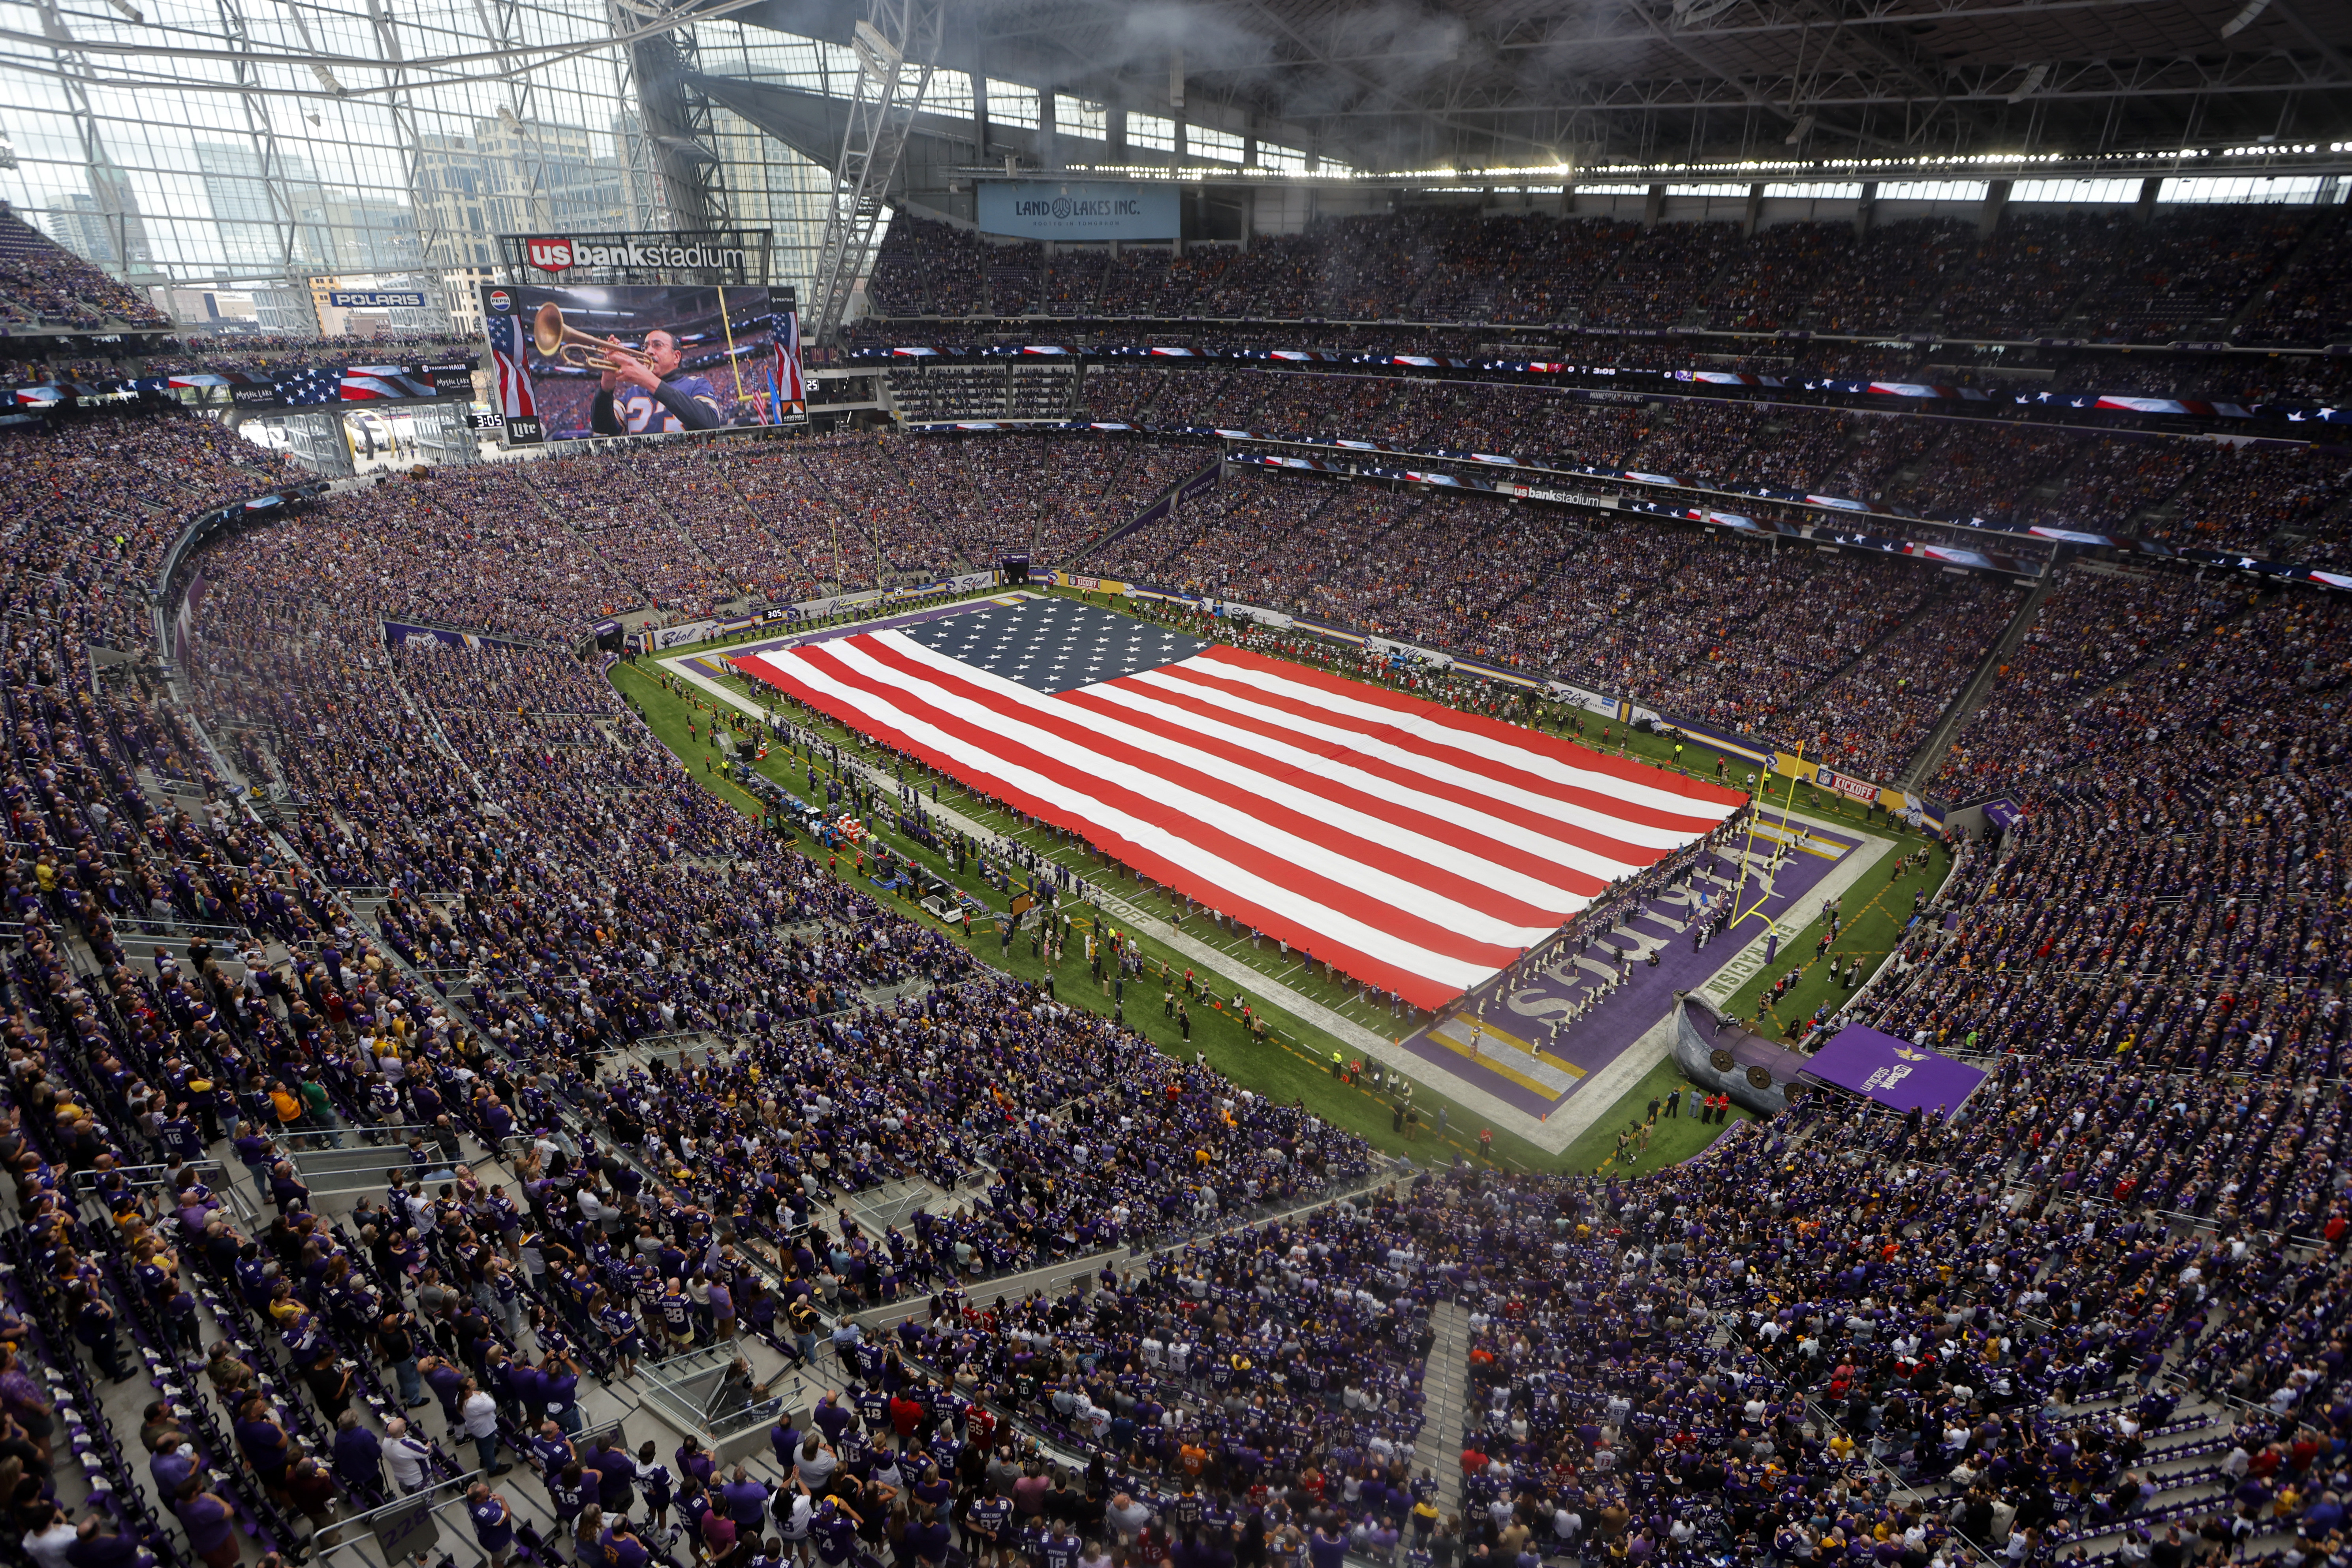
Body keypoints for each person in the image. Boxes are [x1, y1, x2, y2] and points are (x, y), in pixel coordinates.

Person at [588, 327, 725, 436]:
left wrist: (649, 380)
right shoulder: (633, 392)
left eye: (657, 345)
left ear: (676, 357)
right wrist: (607, 383)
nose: (649, 351)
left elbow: (711, 423)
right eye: (646, 347)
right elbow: (601, 426)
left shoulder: (696, 384)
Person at [461, 1376, 508, 1475]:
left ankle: (484, 1459)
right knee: (488, 1448)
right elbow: (492, 1406)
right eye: (472, 1384)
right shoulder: (474, 1403)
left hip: (475, 1427)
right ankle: (492, 1469)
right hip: (485, 1429)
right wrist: (483, 1394)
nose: (475, 1382)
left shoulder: (460, 1397)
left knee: (480, 1443)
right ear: (467, 1390)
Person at [469, 1482, 515, 1568]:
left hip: (487, 1536)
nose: (488, 1488)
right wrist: (502, 1499)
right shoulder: (487, 1514)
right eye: (485, 1491)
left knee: (499, 1558)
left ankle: (503, 1562)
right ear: (478, 1499)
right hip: (498, 1541)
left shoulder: (472, 1502)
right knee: (498, 1560)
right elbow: (507, 1517)